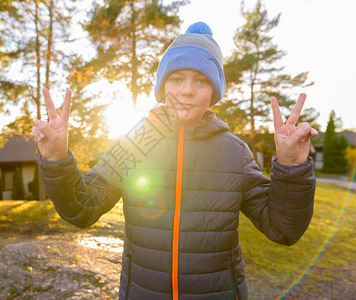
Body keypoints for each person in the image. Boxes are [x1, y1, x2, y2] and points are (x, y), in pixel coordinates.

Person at [31, 22, 317, 300]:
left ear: (214, 91)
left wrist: (292, 169)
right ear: (162, 85)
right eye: (176, 78)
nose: (187, 90)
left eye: (201, 80)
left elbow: (282, 229)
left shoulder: (235, 152)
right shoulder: (135, 142)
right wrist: (57, 160)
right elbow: (82, 208)